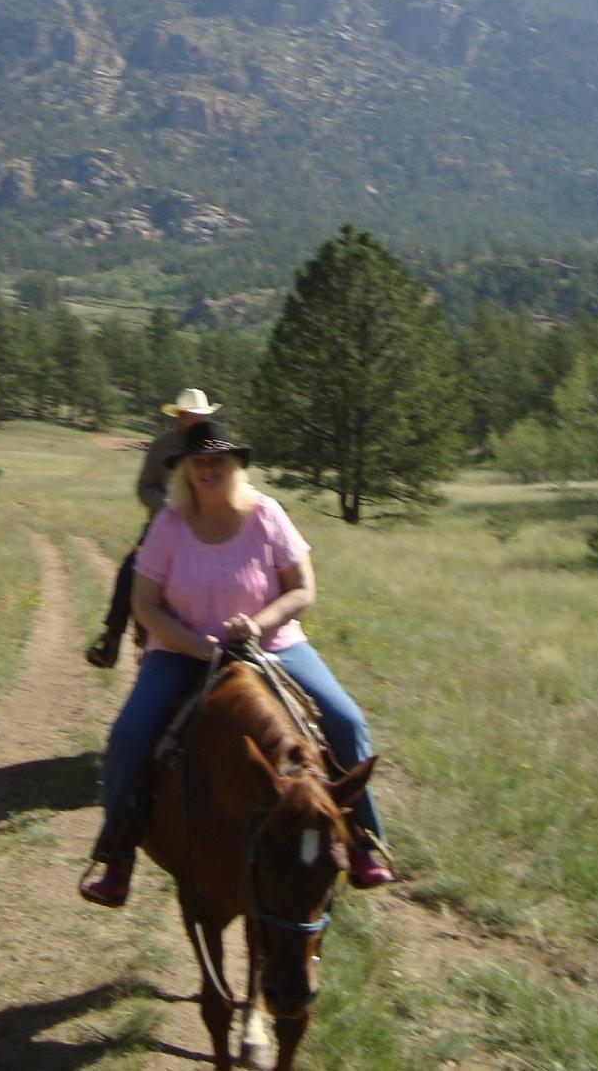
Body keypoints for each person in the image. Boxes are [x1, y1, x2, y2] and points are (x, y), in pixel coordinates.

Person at [80, 419, 393, 906]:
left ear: (236, 466)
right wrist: (197, 645)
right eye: (198, 461)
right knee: (129, 735)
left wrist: (259, 625)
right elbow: (144, 604)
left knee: (347, 722)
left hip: (272, 646)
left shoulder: (266, 514)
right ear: (184, 469)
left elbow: (301, 589)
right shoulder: (169, 524)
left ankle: (363, 843)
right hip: (184, 654)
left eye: (218, 461)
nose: (208, 469)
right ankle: (116, 854)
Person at [83, 387, 218, 669]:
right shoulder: (161, 447)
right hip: (164, 524)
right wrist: (168, 506)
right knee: (130, 568)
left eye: (200, 416)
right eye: (190, 415)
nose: (195, 420)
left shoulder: (216, 445)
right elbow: (144, 488)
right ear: (180, 417)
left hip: (209, 524)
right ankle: (111, 637)